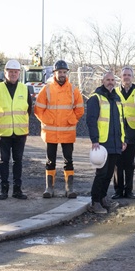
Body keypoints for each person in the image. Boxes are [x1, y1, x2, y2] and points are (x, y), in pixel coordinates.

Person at [34, 59, 85, 198]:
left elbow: (80, 109)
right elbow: (38, 109)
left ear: (67, 73)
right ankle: (49, 188)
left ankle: (69, 189)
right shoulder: (47, 89)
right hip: (51, 132)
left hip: (68, 132)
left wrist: (71, 120)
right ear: (54, 73)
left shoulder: (73, 90)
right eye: (59, 72)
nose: (62, 74)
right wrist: (47, 121)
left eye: (64, 72)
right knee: (50, 161)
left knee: (68, 160)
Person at [0, 59, 33, 201]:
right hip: (3, 132)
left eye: (15, 72)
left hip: (20, 132)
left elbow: (29, 109)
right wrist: (0, 121)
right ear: (5, 72)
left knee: (18, 161)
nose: (13, 74)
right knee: (4, 161)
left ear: (19, 73)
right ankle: (4, 190)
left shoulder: (24, 89)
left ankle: (17, 190)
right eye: (10, 71)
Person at [87, 71, 124, 214]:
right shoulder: (95, 98)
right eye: (108, 79)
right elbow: (91, 121)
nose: (110, 82)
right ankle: (95, 202)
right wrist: (95, 140)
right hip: (102, 143)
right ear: (102, 81)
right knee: (101, 173)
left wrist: (123, 140)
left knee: (109, 174)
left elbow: (121, 121)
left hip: (115, 142)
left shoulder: (116, 98)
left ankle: (103, 198)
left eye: (112, 80)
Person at [112, 66, 135, 200]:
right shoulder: (115, 92)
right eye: (124, 75)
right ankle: (118, 191)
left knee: (129, 163)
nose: (126, 77)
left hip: (133, 130)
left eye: (129, 75)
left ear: (132, 77)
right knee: (118, 163)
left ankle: (129, 190)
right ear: (121, 77)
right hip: (118, 131)